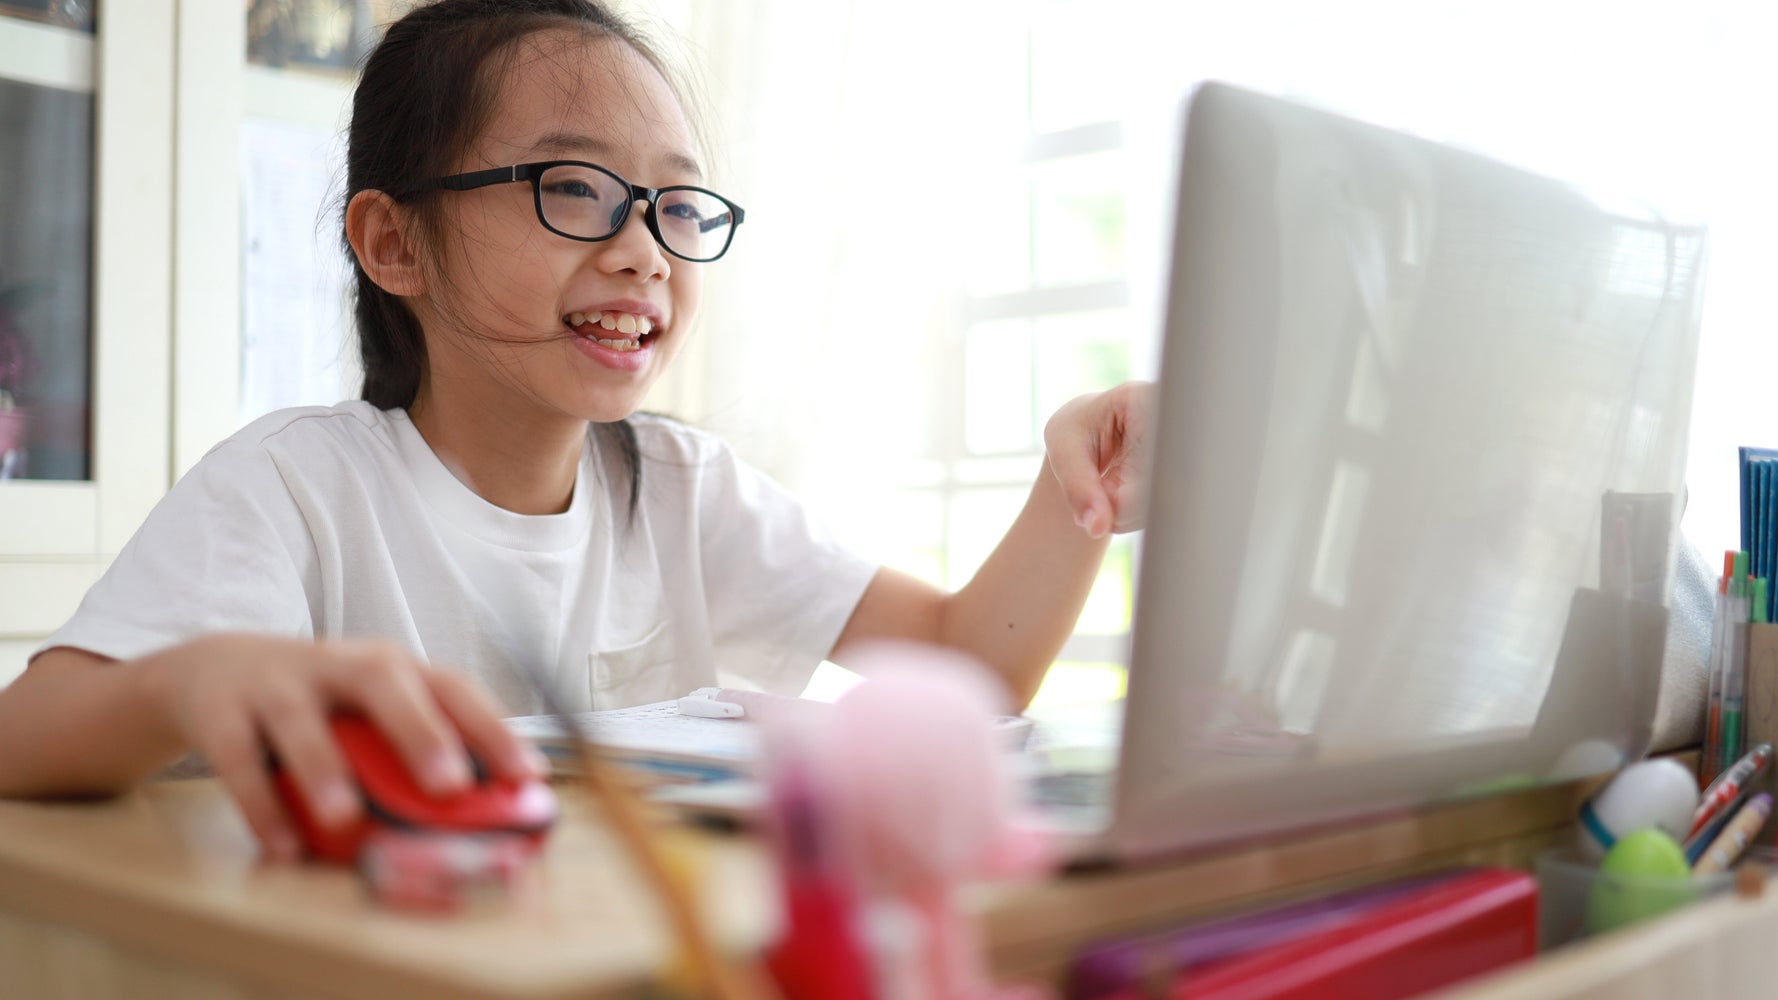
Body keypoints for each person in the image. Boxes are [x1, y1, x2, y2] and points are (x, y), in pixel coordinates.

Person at [0, 0, 1150, 862]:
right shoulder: (293, 488)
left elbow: (970, 665)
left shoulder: (677, 483)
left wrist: (1077, 485)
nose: (644, 248)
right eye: (576, 187)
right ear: (393, 243)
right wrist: (187, 677)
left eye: (674, 204)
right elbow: (24, 738)